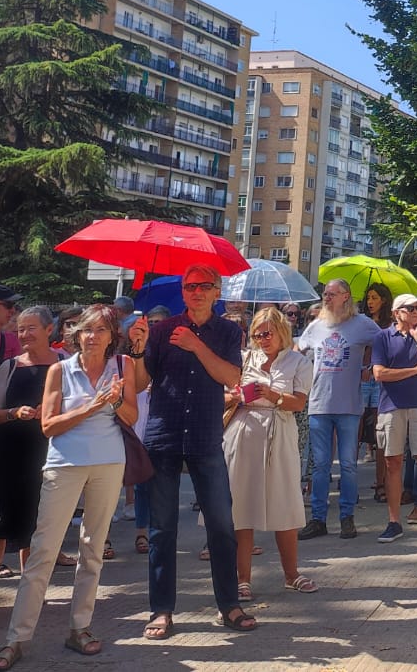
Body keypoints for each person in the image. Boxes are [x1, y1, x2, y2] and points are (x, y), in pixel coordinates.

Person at [0, 305, 136, 669]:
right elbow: (49, 425)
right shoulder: (60, 369)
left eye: (101, 330)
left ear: (112, 335)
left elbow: (132, 417)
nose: (93, 336)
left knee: (93, 549)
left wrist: (116, 401)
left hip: (109, 462)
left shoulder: (124, 366)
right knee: (42, 552)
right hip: (64, 464)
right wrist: (91, 407)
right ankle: (16, 639)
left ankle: (80, 628)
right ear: (76, 334)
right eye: (87, 330)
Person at [132, 264, 253, 639]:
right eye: (190, 286)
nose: (196, 291)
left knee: (221, 525)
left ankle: (229, 604)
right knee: (162, 529)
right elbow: (139, 382)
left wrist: (196, 345)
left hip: (204, 437)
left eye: (204, 286)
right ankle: (161, 610)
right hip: (164, 436)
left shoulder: (229, 331)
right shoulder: (162, 330)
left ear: (217, 292)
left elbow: (232, 378)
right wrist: (137, 350)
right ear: (182, 292)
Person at [226, 307, 316, 599]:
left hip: (279, 432)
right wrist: (242, 395)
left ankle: (291, 574)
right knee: (242, 506)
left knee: (284, 503)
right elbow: (224, 394)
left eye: (267, 333)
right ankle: (242, 579)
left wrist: (272, 394)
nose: (262, 339)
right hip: (245, 430)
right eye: (257, 334)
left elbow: (299, 403)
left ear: (281, 331)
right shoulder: (243, 359)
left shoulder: (298, 362)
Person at [0, 306, 57, 617]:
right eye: (20, 329)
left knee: (36, 526)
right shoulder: (7, 368)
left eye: (31, 328)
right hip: (7, 455)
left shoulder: (64, 365)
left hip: (49, 455)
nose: (24, 335)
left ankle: (31, 590)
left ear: (50, 330)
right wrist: (14, 413)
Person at [296, 280, 380, 540]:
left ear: (346, 296)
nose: (327, 298)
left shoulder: (362, 324)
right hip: (319, 405)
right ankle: (318, 519)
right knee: (320, 465)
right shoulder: (316, 325)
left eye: (331, 294)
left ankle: (347, 518)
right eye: (325, 294)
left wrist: (370, 366)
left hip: (349, 406)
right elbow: (296, 352)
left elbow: (385, 343)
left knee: (347, 465)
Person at [372, 292, 417, 543]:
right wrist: (414, 370)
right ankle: (394, 522)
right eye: (410, 308)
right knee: (393, 463)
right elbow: (380, 373)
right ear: (396, 313)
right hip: (391, 407)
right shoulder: (382, 337)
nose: (416, 312)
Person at [120, 312, 153, 553]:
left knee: (143, 479)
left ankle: (142, 530)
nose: (138, 331)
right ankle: (106, 537)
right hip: (122, 415)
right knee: (111, 479)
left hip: (147, 416)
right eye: (134, 328)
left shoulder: (154, 351)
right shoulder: (117, 356)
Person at [361, 283, 393, 501]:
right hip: (362, 379)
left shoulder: (390, 324)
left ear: (383, 300)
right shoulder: (360, 322)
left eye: (375, 297)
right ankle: (348, 482)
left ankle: (382, 482)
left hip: (381, 381)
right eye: (368, 297)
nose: (371, 302)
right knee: (356, 429)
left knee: (380, 432)